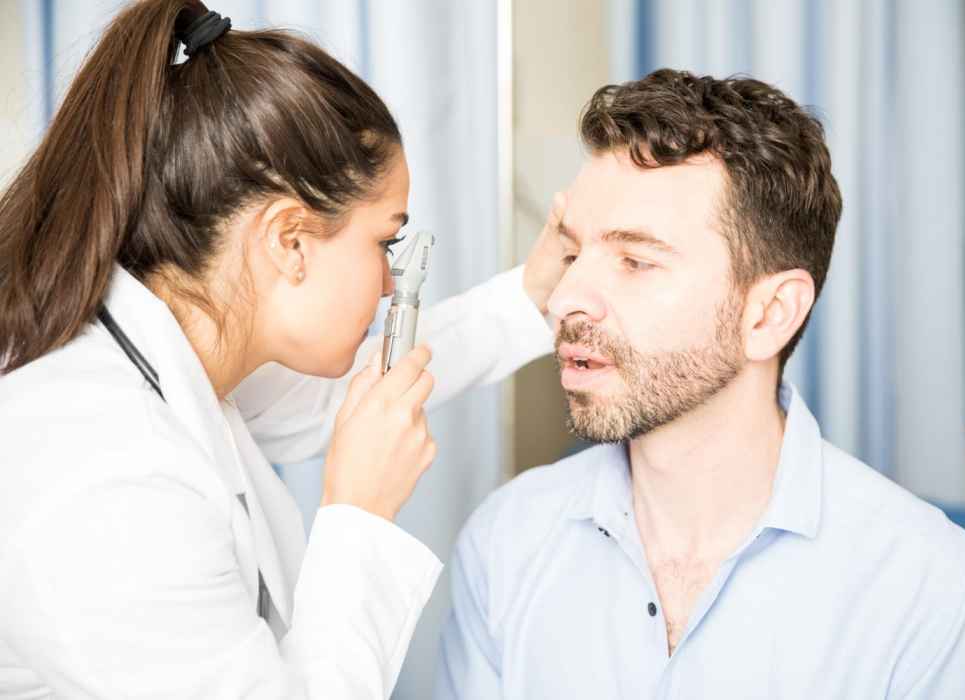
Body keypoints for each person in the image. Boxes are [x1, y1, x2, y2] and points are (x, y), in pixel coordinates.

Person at [0, 1, 561, 697]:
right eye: (383, 243)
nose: (391, 284)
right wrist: (358, 510)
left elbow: (350, 391)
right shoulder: (105, 474)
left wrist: (530, 298)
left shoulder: (171, 361)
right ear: (288, 240)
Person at [435, 70, 965, 699]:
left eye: (635, 261)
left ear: (768, 315)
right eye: (573, 255)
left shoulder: (930, 590)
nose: (566, 297)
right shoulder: (503, 542)